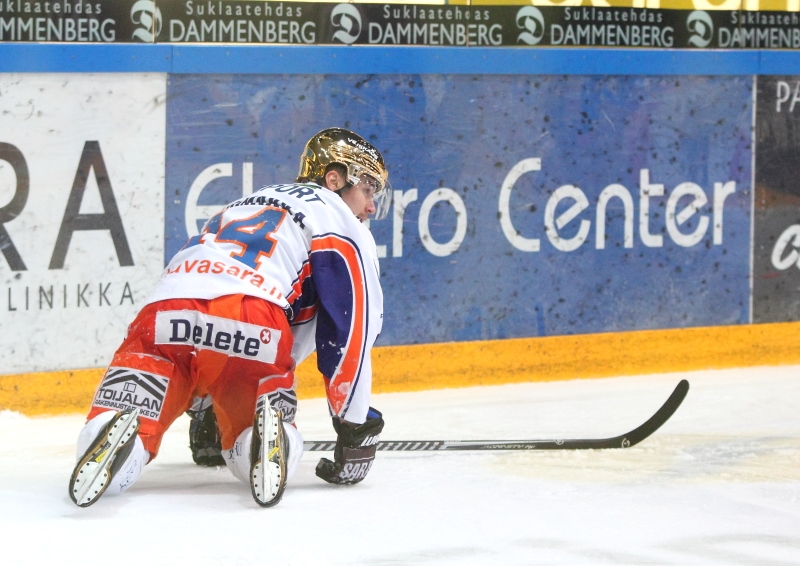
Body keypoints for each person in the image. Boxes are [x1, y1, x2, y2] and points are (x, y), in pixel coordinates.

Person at [68, 128, 389, 508]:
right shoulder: (341, 221)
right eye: (368, 190)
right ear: (334, 178)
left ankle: (116, 432)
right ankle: (266, 439)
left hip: (166, 306)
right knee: (249, 433)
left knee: (129, 412)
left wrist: (203, 403)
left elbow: (203, 296)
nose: (370, 207)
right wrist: (354, 426)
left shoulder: (245, 201)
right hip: (252, 314)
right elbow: (350, 328)